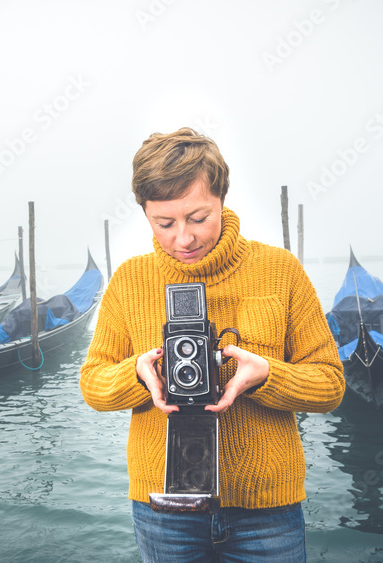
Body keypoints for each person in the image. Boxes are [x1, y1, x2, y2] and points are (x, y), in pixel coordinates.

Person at [79, 127, 344, 562]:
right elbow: (93, 383)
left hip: (267, 509)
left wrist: (267, 376)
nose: (183, 239)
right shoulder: (129, 280)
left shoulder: (280, 270)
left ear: (222, 197)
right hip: (163, 509)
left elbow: (330, 385)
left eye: (198, 218)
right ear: (145, 214)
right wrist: (139, 375)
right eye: (164, 223)